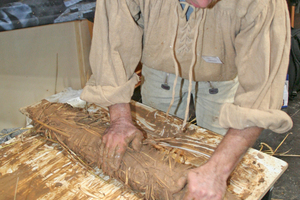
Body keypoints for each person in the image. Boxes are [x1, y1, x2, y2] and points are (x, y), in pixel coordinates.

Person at [81, 0, 293, 199]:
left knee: (217, 153)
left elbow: (260, 93)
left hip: (221, 74)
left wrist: (218, 171)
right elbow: (111, 41)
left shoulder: (265, 3)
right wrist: (119, 120)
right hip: (160, 67)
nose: (202, 4)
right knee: (152, 146)